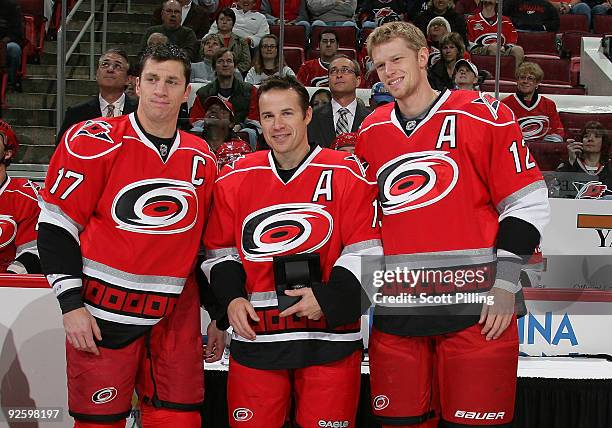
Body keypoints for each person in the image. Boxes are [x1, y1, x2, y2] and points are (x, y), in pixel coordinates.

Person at [357, 22, 550, 427]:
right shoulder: (371, 129)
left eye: (397, 59)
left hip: (478, 308)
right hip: (399, 310)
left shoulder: (484, 113)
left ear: (424, 56)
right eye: (379, 65)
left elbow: (527, 202)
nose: (388, 71)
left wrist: (505, 283)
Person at [37, 44, 222, 427]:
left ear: (186, 92)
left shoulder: (202, 156)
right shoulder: (93, 140)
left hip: (174, 316)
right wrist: (70, 305)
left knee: (178, 419)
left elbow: (205, 244)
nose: (161, 90)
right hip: (102, 310)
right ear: (137, 84)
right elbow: (57, 227)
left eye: (172, 82)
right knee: (98, 422)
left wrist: (218, 314)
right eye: (153, 79)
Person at [202, 75, 382, 428]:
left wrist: (329, 298)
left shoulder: (347, 172)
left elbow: (368, 250)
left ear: (307, 116)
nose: (277, 125)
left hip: (328, 339)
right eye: (268, 117)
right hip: (258, 337)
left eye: (287, 114)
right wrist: (231, 300)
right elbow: (219, 252)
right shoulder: (235, 177)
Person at [57, 48, 138, 145]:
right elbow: (62, 151)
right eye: (105, 64)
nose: (110, 69)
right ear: (97, 74)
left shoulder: (140, 113)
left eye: (117, 66)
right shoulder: (76, 114)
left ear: (128, 79)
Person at [190, 48, 260, 148]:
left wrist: (241, 126)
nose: (225, 64)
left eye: (229, 61)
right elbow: (195, 119)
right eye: (220, 61)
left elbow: (255, 117)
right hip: (210, 130)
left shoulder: (249, 90)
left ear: (235, 66)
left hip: (239, 129)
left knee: (250, 132)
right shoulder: (203, 92)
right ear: (214, 67)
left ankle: (250, 160)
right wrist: (213, 126)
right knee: (196, 131)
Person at [0, 120, 41, 274]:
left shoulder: (26, 196)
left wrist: (9, 285)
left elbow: (33, 251)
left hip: (7, 289)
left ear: (8, 153)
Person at [308, 55, 371, 148]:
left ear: (358, 81)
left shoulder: (371, 119)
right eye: (333, 71)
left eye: (345, 70)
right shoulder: (311, 118)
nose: (339, 75)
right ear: (328, 80)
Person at [502, 62, 565, 143]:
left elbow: (557, 131)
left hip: (542, 151)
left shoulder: (548, 104)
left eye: (530, 78)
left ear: (537, 83)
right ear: (517, 81)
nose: (525, 81)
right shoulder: (505, 104)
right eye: (522, 77)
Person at [467, 0, 524, 72]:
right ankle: (493, 77)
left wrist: (504, 47)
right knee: (494, 48)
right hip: (480, 50)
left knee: (518, 50)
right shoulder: (472, 20)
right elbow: (469, 42)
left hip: (502, 50)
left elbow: (512, 40)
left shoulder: (506, 21)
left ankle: (515, 79)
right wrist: (487, 47)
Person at [557, 121, 611, 187]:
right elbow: (559, 188)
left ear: (604, 142)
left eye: (596, 136)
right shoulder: (568, 164)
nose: (590, 139)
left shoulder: (609, 167)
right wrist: (572, 161)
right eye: (586, 136)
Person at [205, 8, 252, 74]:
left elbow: (246, 62)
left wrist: (233, 70)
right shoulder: (208, 39)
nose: (224, 22)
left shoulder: (241, 41)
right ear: (217, 22)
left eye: (228, 20)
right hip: (211, 72)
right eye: (221, 19)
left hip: (235, 74)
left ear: (233, 23)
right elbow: (203, 57)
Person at [0, 0, 23, 92]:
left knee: (14, 49)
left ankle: (10, 82)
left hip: (7, 42)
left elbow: (16, 32)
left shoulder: (12, 6)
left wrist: (3, 42)